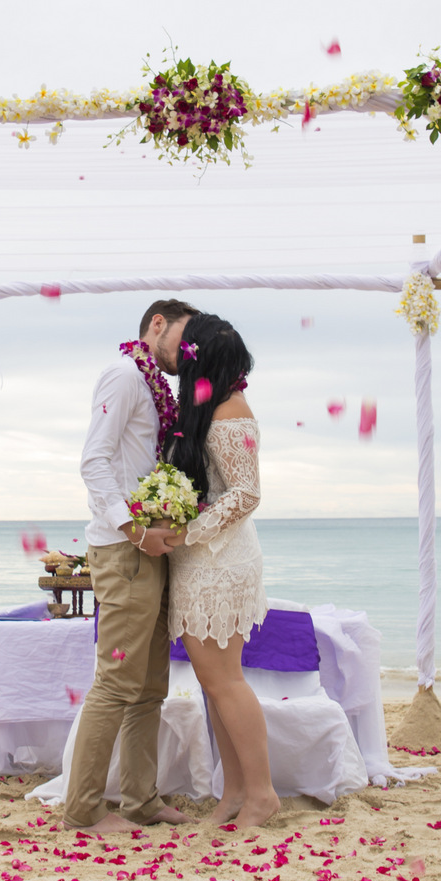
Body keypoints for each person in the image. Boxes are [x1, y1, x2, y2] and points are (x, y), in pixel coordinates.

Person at [66, 299, 200, 834]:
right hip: (125, 550)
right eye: (181, 338)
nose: (185, 352)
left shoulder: (154, 386)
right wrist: (134, 530)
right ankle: (82, 810)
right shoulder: (123, 375)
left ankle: (141, 801)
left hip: (150, 550)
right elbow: (93, 459)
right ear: (156, 324)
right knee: (116, 683)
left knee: (149, 686)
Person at [164, 312, 280, 829]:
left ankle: (261, 793)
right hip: (202, 559)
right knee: (214, 684)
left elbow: (247, 494)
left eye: (185, 348)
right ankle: (233, 792)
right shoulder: (210, 408)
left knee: (225, 681)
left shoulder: (231, 410)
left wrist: (188, 532)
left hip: (219, 561)